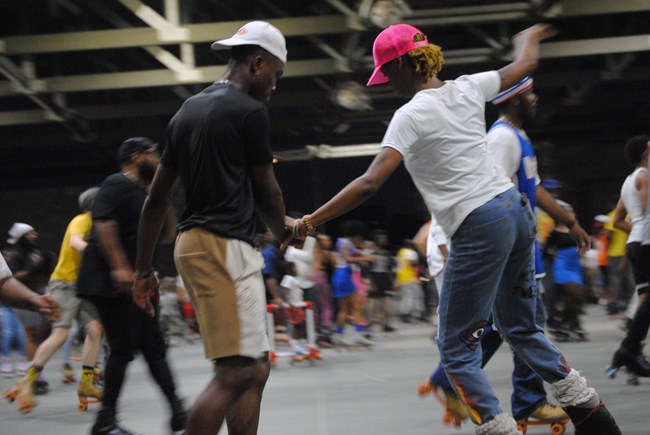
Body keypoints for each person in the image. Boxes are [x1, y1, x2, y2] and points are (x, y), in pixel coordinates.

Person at [288, 23, 620, 434]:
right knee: (523, 330)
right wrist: (527, 39)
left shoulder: (408, 115)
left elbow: (370, 183)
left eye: (387, 72)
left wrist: (308, 222)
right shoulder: (467, 87)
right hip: (514, 213)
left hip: (479, 222)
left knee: (455, 349)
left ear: (407, 64)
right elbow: (524, 66)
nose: (386, 82)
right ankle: (597, 421)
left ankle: (495, 428)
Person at [133, 21, 290, 435]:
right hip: (222, 247)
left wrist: (144, 270)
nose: (276, 85)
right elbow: (266, 189)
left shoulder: (188, 110)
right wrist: (283, 227)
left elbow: (157, 198)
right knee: (236, 372)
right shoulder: (250, 112)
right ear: (258, 64)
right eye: (277, 73)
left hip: (198, 244)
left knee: (255, 366)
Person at [76, 137, 185, 435]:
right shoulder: (116, 183)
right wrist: (119, 267)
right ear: (138, 157)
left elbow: (167, 234)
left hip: (138, 282)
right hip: (111, 281)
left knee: (153, 346)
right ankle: (105, 421)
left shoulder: (146, 193)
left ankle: (176, 410)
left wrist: (161, 196)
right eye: (154, 154)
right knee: (123, 349)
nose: (159, 160)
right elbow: (104, 224)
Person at [5, 187, 104, 414]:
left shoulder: (98, 224)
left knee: (95, 330)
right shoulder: (82, 219)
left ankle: (87, 382)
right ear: (96, 204)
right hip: (65, 284)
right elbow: (75, 243)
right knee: (60, 334)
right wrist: (100, 253)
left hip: (82, 286)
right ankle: (27, 381)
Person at [607, 135, 650, 377]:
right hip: (647, 243)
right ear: (645, 154)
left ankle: (632, 353)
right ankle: (629, 348)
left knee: (645, 300)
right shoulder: (645, 176)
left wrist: (637, 228)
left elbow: (617, 220)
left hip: (636, 243)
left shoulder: (628, 181)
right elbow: (647, 210)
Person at [1, 252, 59, 410]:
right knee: (30, 336)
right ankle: (31, 376)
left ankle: (32, 376)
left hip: (34, 295)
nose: (33, 236)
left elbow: (3, 282)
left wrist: (33, 300)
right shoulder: (18, 256)